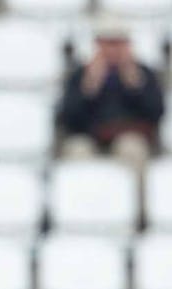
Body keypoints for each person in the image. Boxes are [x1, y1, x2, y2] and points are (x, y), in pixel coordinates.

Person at [57, 15, 165, 172]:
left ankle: (137, 197)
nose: (113, 49)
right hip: (90, 137)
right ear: (98, 44)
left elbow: (156, 114)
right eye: (108, 43)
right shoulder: (79, 75)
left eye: (119, 43)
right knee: (78, 152)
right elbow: (68, 118)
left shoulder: (145, 74)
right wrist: (89, 87)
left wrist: (135, 86)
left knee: (132, 149)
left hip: (129, 137)